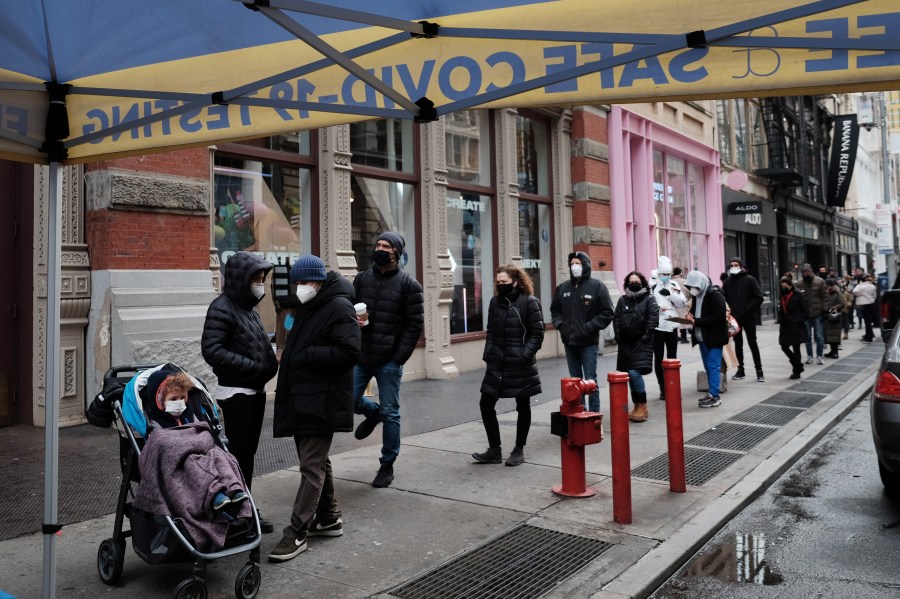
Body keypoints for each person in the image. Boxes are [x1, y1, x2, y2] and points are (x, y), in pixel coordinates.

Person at [268, 255, 362, 563]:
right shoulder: (311, 306)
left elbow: (350, 351)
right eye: (296, 282)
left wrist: (307, 354)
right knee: (318, 460)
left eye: (304, 282)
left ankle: (297, 530)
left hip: (322, 399)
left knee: (311, 465)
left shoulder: (338, 306)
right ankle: (329, 517)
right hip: (306, 396)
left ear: (318, 282)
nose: (299, 287)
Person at [201, 251, 279, 533]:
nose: (260, 283)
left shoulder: (248, 309)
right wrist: (252, 366)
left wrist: (266, 362)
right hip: (237, 394)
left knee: (246, 455)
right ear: (240, 279)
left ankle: (245, 509)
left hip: (252, 391)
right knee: (238, 456)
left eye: (262, 278)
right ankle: (239, 514)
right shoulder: (222, 307)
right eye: (256, 278)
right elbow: (212, 350)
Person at [133, 369, 251, 553]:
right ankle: (215, 495)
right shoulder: (157, 424)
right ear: (160, 401)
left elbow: (205, 437)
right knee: (191, 462)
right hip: (180, 468)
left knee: (221, 455)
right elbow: (163, 446)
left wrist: (200, 442)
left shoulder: (190, 417)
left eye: (182, 398)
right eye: (173, 399)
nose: (179, 403)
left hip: (204, 457)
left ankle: (232, 490)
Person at [351, 232, 424, 488]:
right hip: (361, 355)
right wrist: (355, 321)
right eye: (378, 244)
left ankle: (387, 465)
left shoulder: (409, 285)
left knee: (392, 413)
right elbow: (349, 308)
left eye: (386, 246)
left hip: (389, 360)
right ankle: (373, 413)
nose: (380, 249)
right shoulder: (361, 278)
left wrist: (398, 358)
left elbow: (414, 325)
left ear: (396, 252)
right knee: (347, 399)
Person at [473, 264, 545, 466]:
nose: (500, 285)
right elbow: (491, 331)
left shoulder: (530, 302)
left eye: (504, 281)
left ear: (515, 281)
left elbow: (537, 334)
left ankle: (518, 449)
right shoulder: (495, 302)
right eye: (498, 282)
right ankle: (494, 450)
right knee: (486, 404)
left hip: (520, 362)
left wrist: (524, 355)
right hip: (497, 362)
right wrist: (489, 355)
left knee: (522, 404)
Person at [549, 251, 614, 412]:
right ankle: (579, 412)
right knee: (575, 381)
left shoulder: (597, 286)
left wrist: (588, 327)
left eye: (577, 263)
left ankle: (594, 414)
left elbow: (607, 313)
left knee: (590, 380)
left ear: (585, 265)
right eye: (572, 264)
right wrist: (560, 325)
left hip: (588, 343)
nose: (574, 267)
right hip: (569, 342)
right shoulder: (563, 288)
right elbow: (555, 310)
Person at [613, 271, 659, 422]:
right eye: (630, 281)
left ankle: (642, 405)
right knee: (629, 374)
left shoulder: (649, 299)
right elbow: (617, 318)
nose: (633, 283)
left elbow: (653, 319)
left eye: (636, 281)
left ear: (642, 283)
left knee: (634, 373)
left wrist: (646, 336)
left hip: (641, 342)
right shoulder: (622, 300)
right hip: (625, 343)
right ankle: (637, 405)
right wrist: (618, 336)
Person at [683, 270, 728, 408]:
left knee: (713, 366)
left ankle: (714, 395)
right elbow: (695, 313)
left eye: (694, 287)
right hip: (702, 338)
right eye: (690, 287)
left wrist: (697, 321)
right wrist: (690, 318)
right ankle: (712, 393)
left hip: (714, 337)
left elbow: (719, 317)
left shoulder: (715, 295)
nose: (692, 290)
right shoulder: (698, 297)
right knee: (709, 366)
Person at [722, 257, 765, 382]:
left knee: (753, 344)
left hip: (748, 317)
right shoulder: (727, 282)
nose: (734, 267)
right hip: (734, 319)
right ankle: (740, 370)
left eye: (736, 265)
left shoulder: (750, 280)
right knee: (738, 345)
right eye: (732, 265)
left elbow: (758, 297)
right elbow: (724, 300)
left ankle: (759, 371)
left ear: (741, 266)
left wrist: (747, 308)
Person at [650, 256, 686, 401]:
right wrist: (658, 308)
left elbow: (682, 304)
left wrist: (671, 295)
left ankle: (673, 386)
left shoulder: (673, 285)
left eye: (667, 274)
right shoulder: (652, 286)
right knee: (658, 359)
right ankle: (663, 388)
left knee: (672, 358)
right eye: (663, 274)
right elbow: (648, 304)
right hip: (657, 326)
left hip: (671, 326)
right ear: (658, 273)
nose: (665, 277)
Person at [792, 263, 827, 365]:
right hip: (806, 313)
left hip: (817, 312)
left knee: (819, 335)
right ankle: (810, 356)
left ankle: (819, 356)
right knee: (807, 336)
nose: (806, 274)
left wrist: (824, 309)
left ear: (811, 271)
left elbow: (825, 296)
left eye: (807, 272)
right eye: (804, 272)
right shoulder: (799, 283)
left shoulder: (819, 281)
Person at [777, 277, 809, 379]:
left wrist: (798, 320)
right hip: (785, 326)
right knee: (784, 346)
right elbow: (782, 309)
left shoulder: (798, 295)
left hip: (796, 326)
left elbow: (805, 311)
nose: (783, 288)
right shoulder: (782, 295)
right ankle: (798, 365)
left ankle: (796, 371)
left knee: (796, 348)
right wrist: (780, 319)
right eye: (782, 286)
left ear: (790, 285)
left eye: (784, 286)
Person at [823, 278, 846, 358]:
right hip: (827, 317)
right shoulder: (826, 293)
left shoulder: (837, 293)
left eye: (829, 285)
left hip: (834, 317)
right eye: (827, 285)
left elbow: (843, 303)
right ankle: (832, 351)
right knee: (829, 335)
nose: (828, 287)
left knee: (834, 335)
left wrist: (834, 308)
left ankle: (835, 352)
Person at [852, 273, 878, 342]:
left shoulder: (860, 286)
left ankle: (868, 337)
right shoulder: (872, 286)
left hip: (863, 304)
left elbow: (854, 291)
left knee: (867, 321)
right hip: (871, 303)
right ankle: (869, 335)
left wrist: (861, 294)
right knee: (868, 321)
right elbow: (874, 296)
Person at [672, 267, 690, 344]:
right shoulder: (684, 281)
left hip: (673, 304)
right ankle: (683, 337)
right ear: (680, 273)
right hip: (682, 303)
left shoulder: (671, 281)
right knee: (683, 320)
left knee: (674, 320)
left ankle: (675, 337)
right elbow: (689, 292)